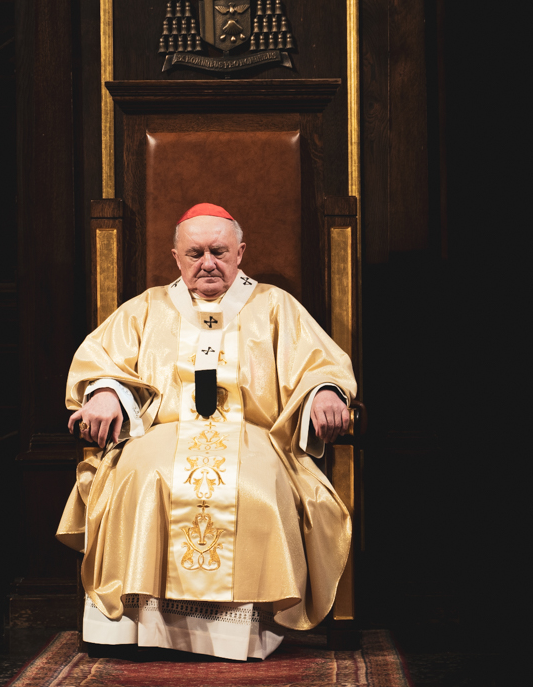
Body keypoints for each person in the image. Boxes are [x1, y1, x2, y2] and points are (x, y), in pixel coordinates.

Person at [56, 202, 355, 661]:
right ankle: (137, 629)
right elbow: (102, 360)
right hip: (159, 436)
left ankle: (242, 631)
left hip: (254, 438)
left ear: (240, 253)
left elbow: (318, 363)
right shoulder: (147, 308)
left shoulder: (274, 306)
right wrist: (107, 392)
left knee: (257, 488)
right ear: (176, 257)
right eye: (195, 254)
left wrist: (325, 393)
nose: (208, 263)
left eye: (219, 251)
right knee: (139, 479)